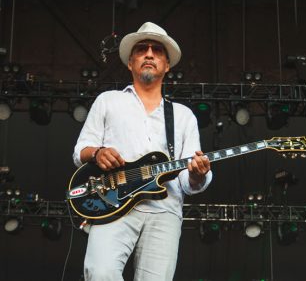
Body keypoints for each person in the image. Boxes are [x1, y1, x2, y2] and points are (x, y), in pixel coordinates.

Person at [73, 22, 212, 281]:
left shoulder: (183, 116)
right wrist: (97, 153)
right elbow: (80, 150)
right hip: (111, 202)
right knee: (100, 273)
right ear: (130, 63)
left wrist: (197, 174)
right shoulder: (108, 101)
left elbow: (187, 182)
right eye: (142, 49)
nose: (149, 54)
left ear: (167, 65)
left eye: (157, 50)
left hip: (165, 210)